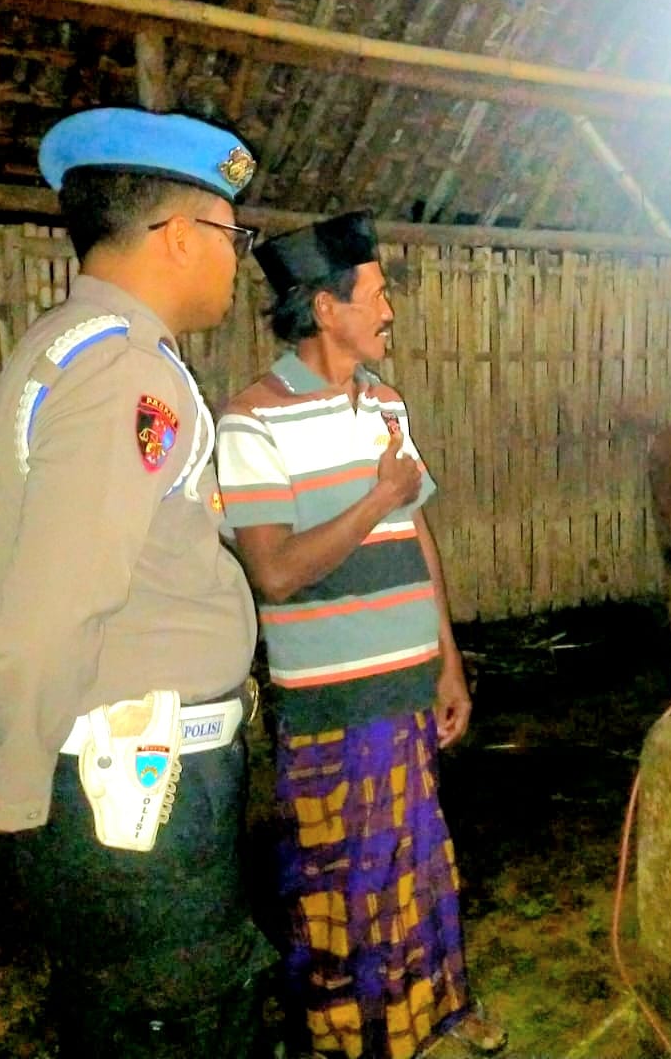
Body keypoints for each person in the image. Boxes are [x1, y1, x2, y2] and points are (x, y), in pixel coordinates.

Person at [0, 107, 278, 1056]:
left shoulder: (66, 349)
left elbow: (20, 579)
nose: (237, 260)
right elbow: (58, 602)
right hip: (139, 796)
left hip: (114, 779)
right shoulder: (125, 377)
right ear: (179, 236)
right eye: (233, 235)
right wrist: (3, 772)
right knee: (182, 1020)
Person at [215, 211, 505, 1059]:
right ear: (324, 307)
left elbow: (417, 535)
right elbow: (274, 571)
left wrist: (448, 663)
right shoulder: (251, 421)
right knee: (343, 877)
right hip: (333, 699)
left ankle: (440, 1008)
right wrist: (378, 497)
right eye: (374, 295)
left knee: (419, 857)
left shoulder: (385, 404)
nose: (389, 311)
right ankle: (354, 1037)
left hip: (408, 681)